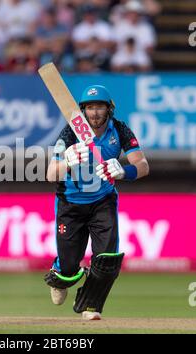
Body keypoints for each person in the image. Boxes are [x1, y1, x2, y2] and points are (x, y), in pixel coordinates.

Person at [45, 84, 149, 320]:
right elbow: (51, 174)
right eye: (89, 108)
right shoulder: (70, 132)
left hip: (103, 201)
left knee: (107, 260)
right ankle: (60, 275)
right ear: (83, 110)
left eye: (99, 107)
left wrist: (123, 171)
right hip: (70, 204)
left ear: (109, 109)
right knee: (71, 267)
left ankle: (90, 306)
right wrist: (67, 162)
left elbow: (143, 166)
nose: (94, 113)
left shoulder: (120, 130)